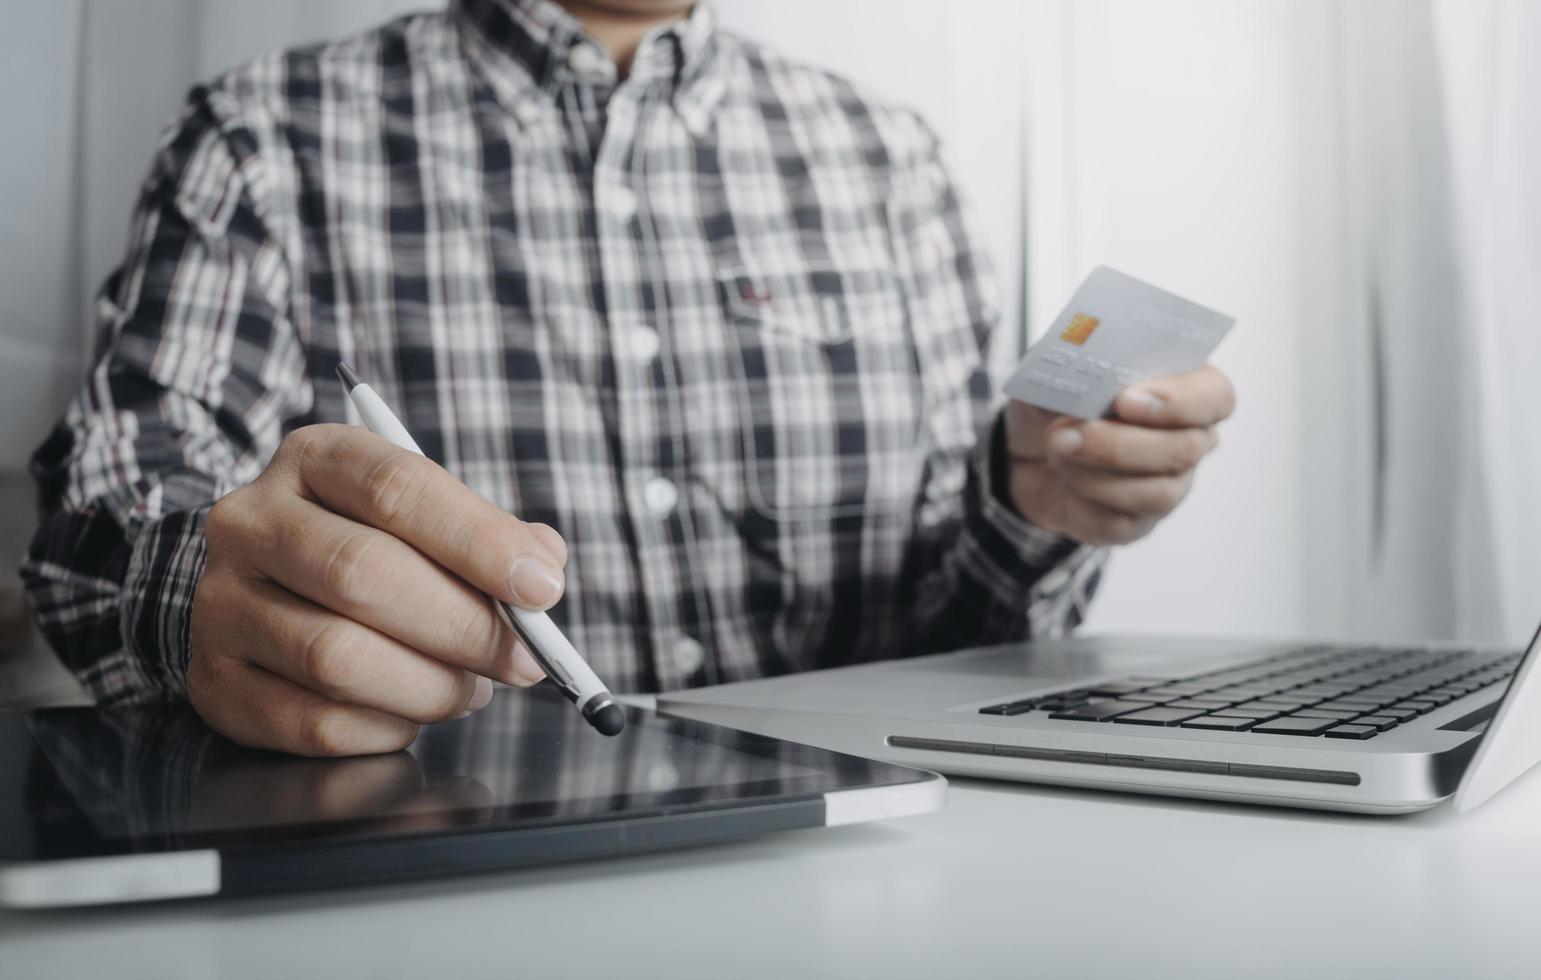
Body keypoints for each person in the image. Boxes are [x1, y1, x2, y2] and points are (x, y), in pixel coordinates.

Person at [23, 0, 1235, 756]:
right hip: (457, 883)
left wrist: (1031, 508)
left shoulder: (888, 158)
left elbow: (956, 635)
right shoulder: (263, 138)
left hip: (873, 874)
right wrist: (197, 593)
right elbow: (89, 540)